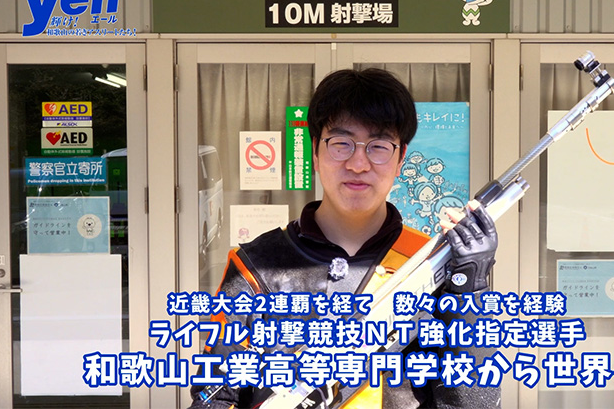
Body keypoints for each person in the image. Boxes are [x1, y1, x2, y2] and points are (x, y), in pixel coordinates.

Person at [190, 68, 500, 409]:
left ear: (400, 158)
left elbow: (472, 402)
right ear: (315, 152)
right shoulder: (256, 265)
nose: (358, 163)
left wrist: (472, 288)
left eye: (378, 146)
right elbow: (215, 398)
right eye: (341, 144)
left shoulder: (428, 263)